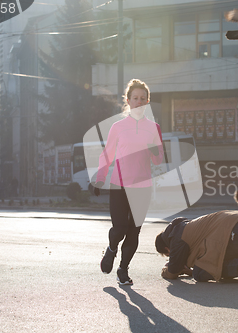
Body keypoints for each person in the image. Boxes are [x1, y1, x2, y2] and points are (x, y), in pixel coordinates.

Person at [95, 79, 164, 285]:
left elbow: (158, 159)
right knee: (120, 228)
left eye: (143, 98)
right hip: (119, 185)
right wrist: (99, 178)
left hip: (142, 188)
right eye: (135, 98)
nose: (139, 101)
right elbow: (107, 154)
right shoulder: (118, 127)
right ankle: (112, 248)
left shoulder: (154, 128)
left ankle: (123, 270)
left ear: (147, 101)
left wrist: (154, 148)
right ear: (128, 100)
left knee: (134, 231)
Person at [155, 210, 238, 285]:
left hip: (237, 232)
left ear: (167, 248)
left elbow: (172, 273)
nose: (171, 256)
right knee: (212, 262)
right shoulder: (187, 227)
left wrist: (166, 268)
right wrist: (188, 271)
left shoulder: (176, 238)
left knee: (200, 273)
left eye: (168, 255)